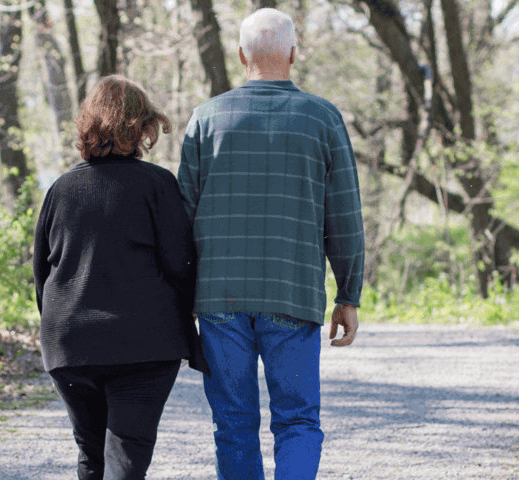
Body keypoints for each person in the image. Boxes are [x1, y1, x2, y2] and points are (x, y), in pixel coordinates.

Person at [176, 8, 364, 480]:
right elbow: (343, 214)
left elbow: (181, 218)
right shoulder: (322, 119)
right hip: (293, 292)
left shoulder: (206, 119)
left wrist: (179, 299)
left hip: (219, 298)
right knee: (297, 420)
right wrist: (348, 294)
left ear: (241, 55)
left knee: (233, 424)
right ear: (293, 54)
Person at [33, 74, 210, 480]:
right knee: (126, 458)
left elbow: (42, 273)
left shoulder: (60, 189)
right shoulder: (157, 184)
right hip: (143, 343)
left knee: (92, 455)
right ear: (142, 126)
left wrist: (60, 323)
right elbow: (180, 264)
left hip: (69, 342)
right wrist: (189, 319)